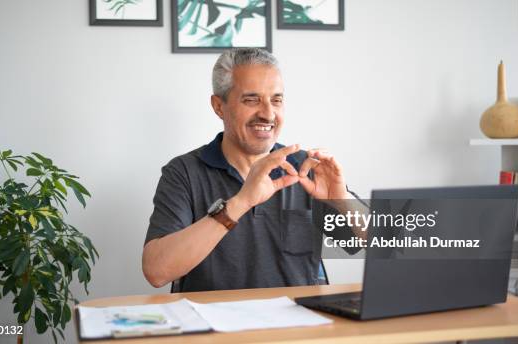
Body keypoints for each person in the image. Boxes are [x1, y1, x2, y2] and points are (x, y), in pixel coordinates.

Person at [142, 48, 359, 292]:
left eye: (276, 100)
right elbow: (156, 272)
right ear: (218, 106)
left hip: (297, 323)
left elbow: (386, 242)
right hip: (212, 325)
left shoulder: (307, 168)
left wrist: (343, 201)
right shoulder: (183, 172)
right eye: (251, 100)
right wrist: (241, 202)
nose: (268, 113)